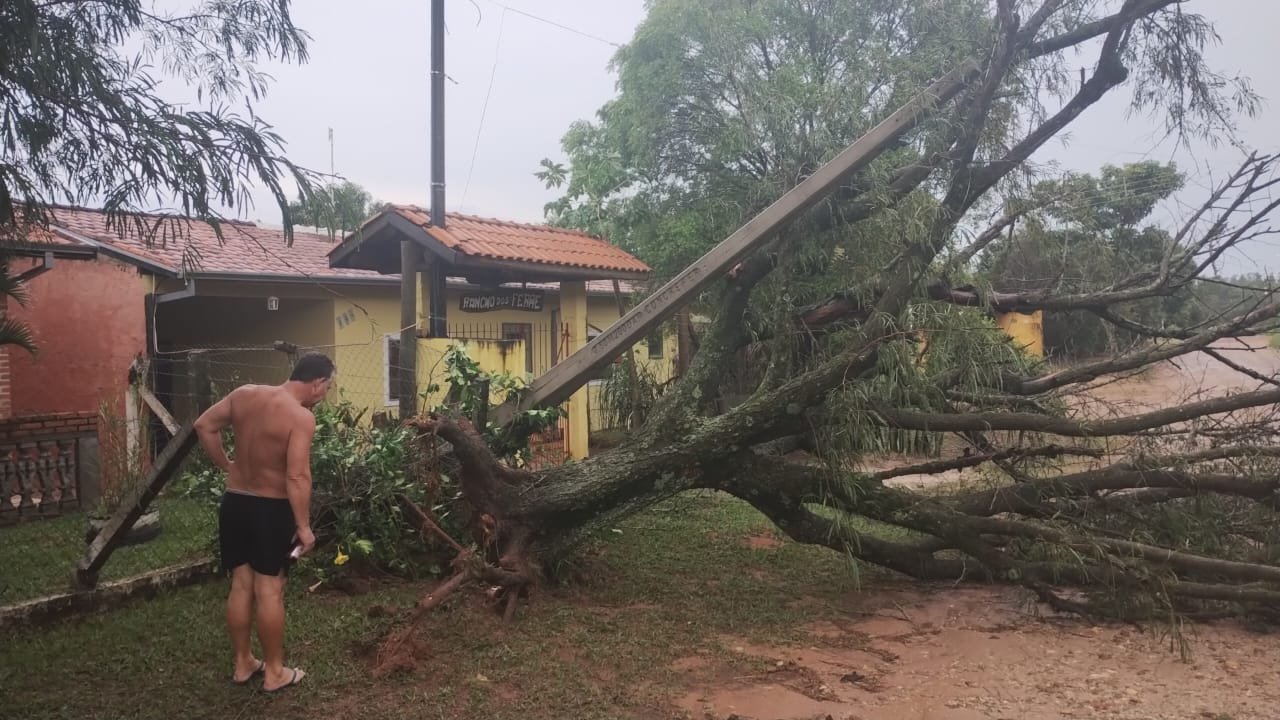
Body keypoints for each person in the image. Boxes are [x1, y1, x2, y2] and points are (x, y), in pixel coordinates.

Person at [193, 351, 336, 693]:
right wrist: (304, 527)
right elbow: (297, 476)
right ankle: (274, 672)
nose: (325, 394)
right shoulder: (300, 417)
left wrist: (226, 465)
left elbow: (204, 425)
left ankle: (243, 662)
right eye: (327, 387)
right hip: (270, 510)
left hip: (235, 503)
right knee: (270, 589)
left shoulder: (245, 394)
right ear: (317, 384)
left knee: (241, 585)